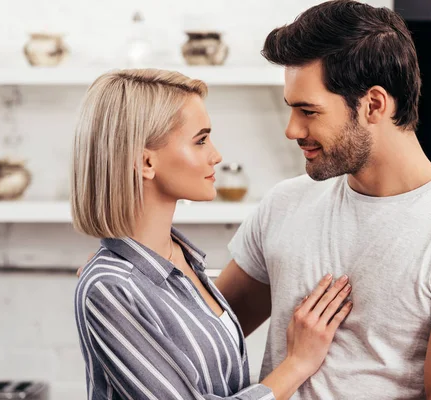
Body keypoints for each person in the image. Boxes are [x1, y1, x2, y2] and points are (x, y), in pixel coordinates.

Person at [215, 1, 431, 399]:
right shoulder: (284, 204)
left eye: (308, 111)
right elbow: (204, 336)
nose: (292, 130)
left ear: (374, 104)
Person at [71, 69, 353, 400]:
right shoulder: (109, 285)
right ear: (146, 163)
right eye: (200, 140)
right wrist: (297, 364)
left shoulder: (182, 259)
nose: (215, 155)